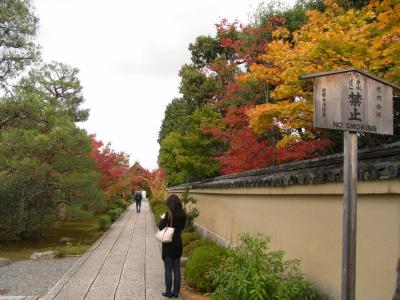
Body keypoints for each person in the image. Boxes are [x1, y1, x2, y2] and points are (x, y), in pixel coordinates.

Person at [158, 194, 186, 298]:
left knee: (168, 269)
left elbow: (160, 226)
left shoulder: (168, 214)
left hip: (169, 244)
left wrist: (162, 218)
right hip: (178, 243)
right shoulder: (183, 214)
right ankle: (176, 292)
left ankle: (168, 292)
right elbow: (182, 227)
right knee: (177, 269)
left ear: (170, 204)